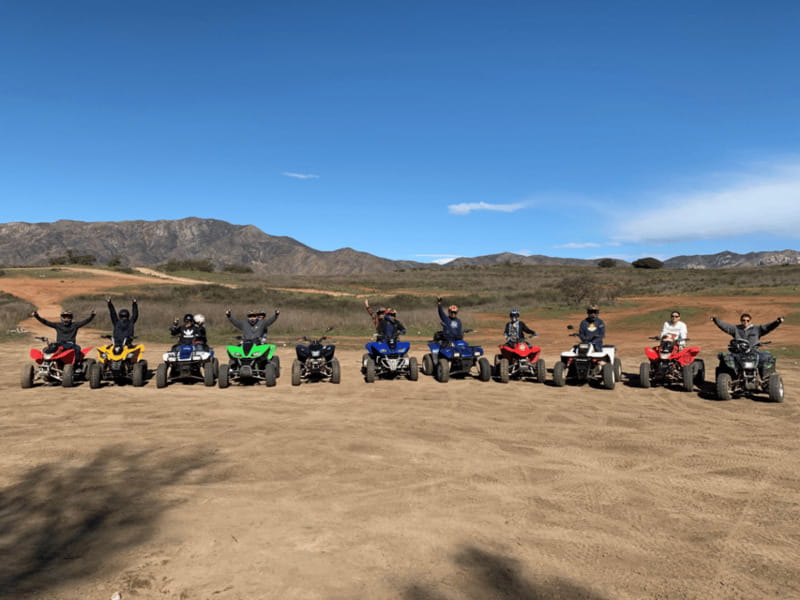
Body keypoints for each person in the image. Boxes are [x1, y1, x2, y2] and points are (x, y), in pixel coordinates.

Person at [711, 313, 784, 375]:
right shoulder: (736, 328)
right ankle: (731, 377)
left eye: (747, 320)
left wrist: (777, 322)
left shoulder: (757, 329)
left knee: (767, 359)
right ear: (741, 321)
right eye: (743, 320)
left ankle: (765, 378)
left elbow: (768, 327)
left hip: (753, 352)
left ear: (750, 321)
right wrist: (716, 320)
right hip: (738, 352)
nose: (745, 322)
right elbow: (725, 326)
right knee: (726, 360)